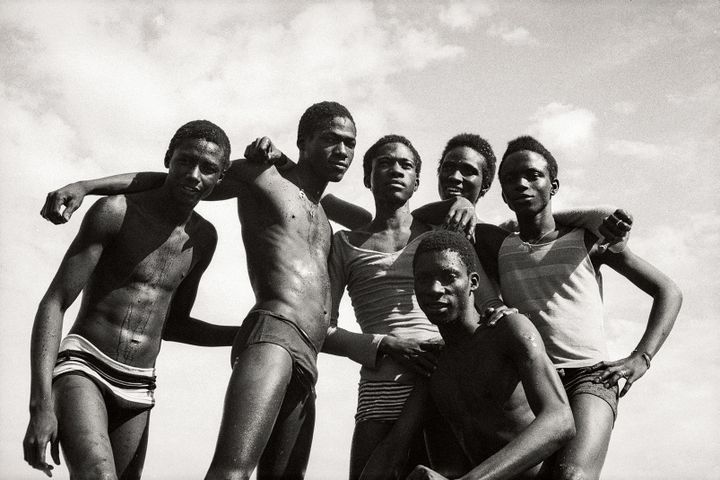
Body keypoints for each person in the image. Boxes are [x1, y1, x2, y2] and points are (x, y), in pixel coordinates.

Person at [38, 101, 358, 479]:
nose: (342, 151)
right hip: (265, 334)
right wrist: (86, 186)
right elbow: (170, 180)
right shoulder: (262, 176)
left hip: (297, 353)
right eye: (331, 140)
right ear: (305, 141)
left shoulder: (318, 212)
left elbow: (369, 219)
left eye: (350, 143)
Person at [23, 120, 239, 479]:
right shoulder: (115, 211)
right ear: (168, 159)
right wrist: (40, 403)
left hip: (140, 386)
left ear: (220, 177)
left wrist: (248, 332)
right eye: (185, 161)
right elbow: (54, 302)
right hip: (85, 366)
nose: (194, 174)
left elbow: (175, 325)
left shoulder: (203, 238)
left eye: (208, 168)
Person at [474, 135, 683, 480]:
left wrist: (641, 357)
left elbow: (668, 291)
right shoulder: (500, 245)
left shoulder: (587, 240)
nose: (521, 184)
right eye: (510, 179)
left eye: (532, 176)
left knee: (572, 476)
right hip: (531, 382)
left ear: (553, 185)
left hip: (590, 378)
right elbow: (454, 235)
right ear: (503, 194)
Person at [324, 135, 511, 479]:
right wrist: (384, 344)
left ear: (417, 183)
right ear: (367, 178)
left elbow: (487, 303)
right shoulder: (343, 243)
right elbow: (321, 329)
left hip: (443, 380)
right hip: (380, 386)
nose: (395, 170)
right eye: (384, 163)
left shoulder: (441, 238)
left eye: (405, 165)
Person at [361, 230, 576, 479]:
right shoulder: (435, 363)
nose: (434, 289)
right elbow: (394, 447)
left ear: (473, 282)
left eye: (449, 277)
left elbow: (560, 420)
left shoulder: (508, 330)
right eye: (423, 279)